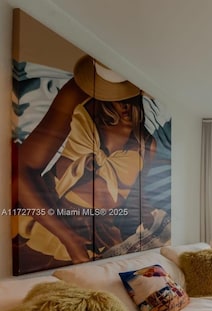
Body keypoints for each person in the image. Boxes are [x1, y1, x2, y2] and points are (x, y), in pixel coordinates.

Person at [14, 55, 158, 273]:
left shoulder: (148, 145)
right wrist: (69, 239)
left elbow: (136, 198)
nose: (120, 102)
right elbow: (21, 172)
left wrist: (144, 215)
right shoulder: (77, 95)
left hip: (105, 236)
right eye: (111, 92)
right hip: (54, 227)